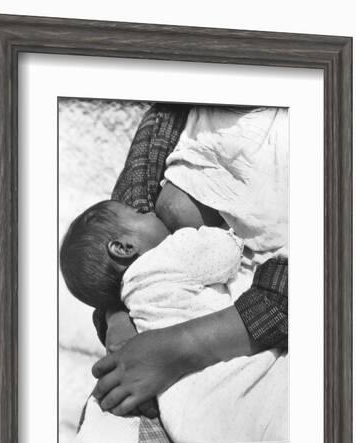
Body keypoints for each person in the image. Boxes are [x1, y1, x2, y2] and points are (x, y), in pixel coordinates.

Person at [91, 104, 288, 421]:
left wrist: (179, 348)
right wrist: (117, 317)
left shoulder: (320, 118)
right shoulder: (170, 116)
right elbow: (118, 226)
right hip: (154, 364)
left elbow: (327, 274)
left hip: (257, 342)